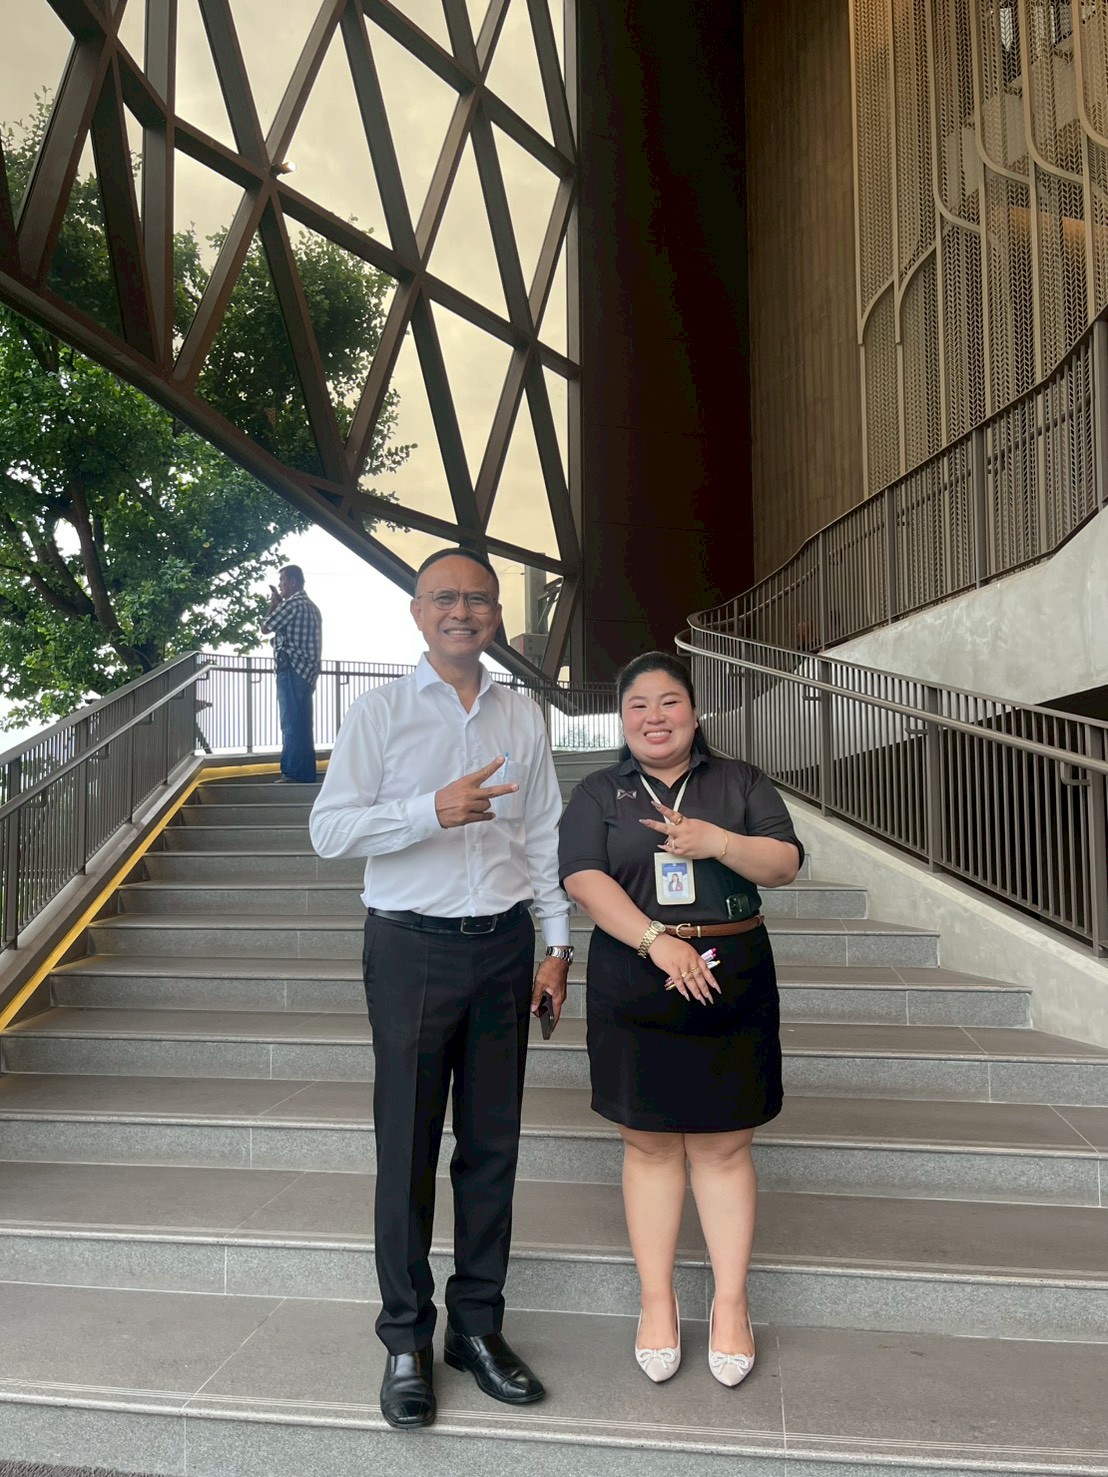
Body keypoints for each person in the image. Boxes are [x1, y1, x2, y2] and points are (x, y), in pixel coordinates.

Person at [308, 547, 572, 1430]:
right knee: (409, 1145)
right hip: (409, 947)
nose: (464, 610)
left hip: (503, 947)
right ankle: (404, 1339)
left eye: (479, 598)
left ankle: (477, 1329)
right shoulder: (379, 712)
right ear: (418, 613)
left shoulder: (522, 713)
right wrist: (431, 810)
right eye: (445, 597)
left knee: (492, 1147)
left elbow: (544, 833)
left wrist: (557, 945)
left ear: (497, 614)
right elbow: (329, 829)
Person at [558, 651, 802, 1388]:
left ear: (695, 712)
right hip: (636, 978)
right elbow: (582, 877)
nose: (654, 717)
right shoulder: (599, 791)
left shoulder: (740, 782)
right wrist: (655, 940)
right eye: (638, 705)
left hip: (733, 975)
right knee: (650, 1144)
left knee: (724, 1148)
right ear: (621, 718)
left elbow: (784, 863)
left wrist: (716, 841)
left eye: (668, 701)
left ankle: (731, 1305)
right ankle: (657, 1303)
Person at [261, 564, 322, 783]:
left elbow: (266, 627)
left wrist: (274, 604)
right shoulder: (311, 606)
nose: (280, 585)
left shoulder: (292, 604)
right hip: (308, 672)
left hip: (291, 668)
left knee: (290, 722)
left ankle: (292, 772)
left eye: (282, 581)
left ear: (293, 582)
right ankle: (306, 772)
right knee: (303, 723)